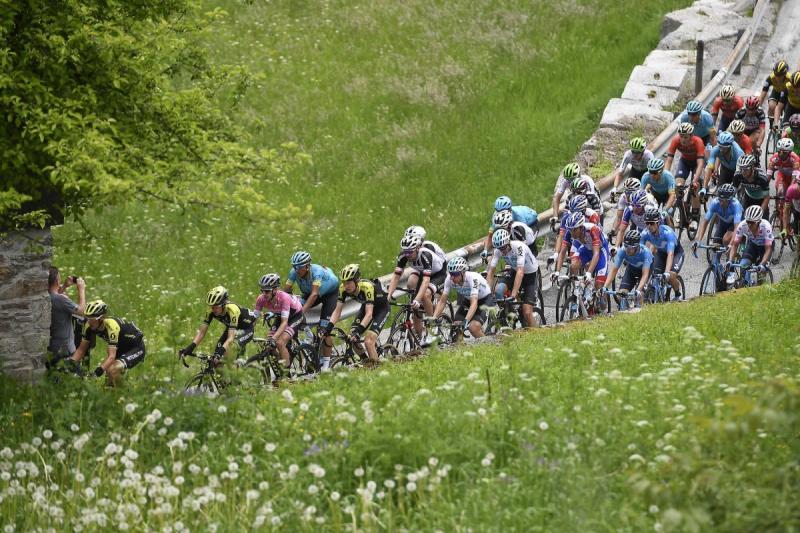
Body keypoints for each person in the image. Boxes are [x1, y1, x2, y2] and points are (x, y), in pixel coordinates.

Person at [386, 234, 447, 340]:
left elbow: (426, 281)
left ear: (418, 248)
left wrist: (418, 299)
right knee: (415, 311)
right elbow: (396, 276)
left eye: (410, 252)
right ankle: (420, 339)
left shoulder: (425, 255)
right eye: (405, 252)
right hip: (423, 272)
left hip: (438, 274)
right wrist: (389, 294)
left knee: (425, 295)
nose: (407, 255)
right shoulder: (403, 256)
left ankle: (432, 326)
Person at [70, 300, 145, 386]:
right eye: (87, 318)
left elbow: (111, 357)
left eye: (92, 319)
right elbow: (81, 349)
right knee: (108, 384)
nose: (89, 322)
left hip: (135, 347)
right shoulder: (89, 326)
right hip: (120, 348)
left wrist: (97, 372)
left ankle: (126, 394)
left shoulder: (112, 326)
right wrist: (70, 364)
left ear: (102, 318)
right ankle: (117, 394)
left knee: (112, 370)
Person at [283, 251, 340, 362]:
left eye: (299, 267)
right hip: (311, 293)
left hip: (330, 294)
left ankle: (326, 365)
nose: (296, 270)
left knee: (324, 330)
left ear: (307, 266)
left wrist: (301, 313)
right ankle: (308, 333)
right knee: (293, 309)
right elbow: (286, 293)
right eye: (294, 267)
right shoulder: (294, 272)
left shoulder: (317, 271)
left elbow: (314, 295)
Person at [330, 264, 389, 365]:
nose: (346, 286)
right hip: (365, 307)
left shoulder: (367, 287)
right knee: (351, 338)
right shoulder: (343, 289)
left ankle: (377, 371)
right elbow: (337, 311)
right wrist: (329, 326)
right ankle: (366, 362)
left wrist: (359, 331)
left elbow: (369, 314)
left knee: (368, 342)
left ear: (356, 281)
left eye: (348, 282)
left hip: (381, 309)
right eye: (344, 282)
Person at [179, 286, 257, 362]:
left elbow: (230, 338)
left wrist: (221, 353)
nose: (213, 310)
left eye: (216, 307)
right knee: (215, 358)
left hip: (246, 328)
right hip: (232, 327)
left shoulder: (232, 310)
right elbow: (201, 333)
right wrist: (190, 348)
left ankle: (236, 373)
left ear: (223, 304)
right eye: (212, 307)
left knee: (228, 351)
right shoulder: (210, 312)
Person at [486, 229, 540, 327]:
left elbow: (520, 272)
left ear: (508, 242)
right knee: (498, 291)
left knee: (527, 312)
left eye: (503, 247)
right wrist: (488, 293)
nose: (502, 251)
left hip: (530, 273)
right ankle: (511, 318)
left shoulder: (519, 247)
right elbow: (490, 271)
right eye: (499, 248)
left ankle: (537, 335)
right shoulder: (498, 250)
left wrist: (513, 294)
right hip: (514, 270)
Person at [432, 257, 494, 340]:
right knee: (457, 327)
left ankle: (487, 346)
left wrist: (466, 321)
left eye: (455, 274)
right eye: (451, 274)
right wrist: (434, 318)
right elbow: (442, 301)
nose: (452, 278)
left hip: (484, 300)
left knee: (473, 328)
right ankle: (460, 350)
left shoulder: (472, 278)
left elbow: (474, 303)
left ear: (463, 272)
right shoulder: (449, 279)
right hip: (468, 300)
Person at [253, 273, 305, 372]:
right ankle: (280, 367)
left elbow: (284, 322)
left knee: (280, 343)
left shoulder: (284, 297)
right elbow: (254, 318)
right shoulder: (261, 299)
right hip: (281, 316)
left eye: (267, 291)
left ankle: (287, 375)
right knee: (269, 345)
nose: (264, 293)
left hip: (295, 316)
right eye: (262, 290)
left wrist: (274, 338)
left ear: (275, 290)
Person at [551, 212, 610, 293]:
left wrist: (589, 273)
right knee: (573, 266)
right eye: (570, 230)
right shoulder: (570, 232)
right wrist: (557, 271)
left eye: (574, 230)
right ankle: (576, 293)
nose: (572, 233)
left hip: (600, 251)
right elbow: (563, 251)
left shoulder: (592, 229)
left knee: (599, 285)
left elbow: (596, 253)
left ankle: (601, 302)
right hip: (586, 248)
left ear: (581, 227)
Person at [665, 122, 706, 230]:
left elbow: (700, 164)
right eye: (681, 136)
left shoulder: (698, 142)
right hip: (685, 162)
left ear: (691, 135)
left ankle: (695, 217)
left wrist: (694, 181)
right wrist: (665, 176)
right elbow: (669, 160)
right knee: (677, 185)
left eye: (685, 137)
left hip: (697, 163)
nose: (683, 139)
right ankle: (683, 209)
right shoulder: (675, 140)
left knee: (694, 188)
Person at [640, 207, 684, 300]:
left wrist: (667, 272)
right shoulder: (645, 233)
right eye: (647, 223)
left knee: (671, 275)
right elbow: (641, 250)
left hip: (676, 253)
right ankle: (658, 295)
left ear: (658, 223)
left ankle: (677, 294)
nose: (649, 226)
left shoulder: (667, 233)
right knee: (655, 275)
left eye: (651, 223)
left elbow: (670, 254)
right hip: (661, 253)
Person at [603, 229, 653, 307]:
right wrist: (605, 287)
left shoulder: (646, 253)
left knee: (639, 296)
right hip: (632, 269)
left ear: (636, 247)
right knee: (621, 295)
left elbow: (645, 275)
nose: (627, 249)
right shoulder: (623, 251)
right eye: (625, 246)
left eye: (630, 247)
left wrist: (639, 290)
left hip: (645, 271)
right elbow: (614, 270)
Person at [47, 266, 86, 364]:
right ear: (57, 281)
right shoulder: (61, 299)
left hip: (52, 346)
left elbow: (56, 296)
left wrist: (64, 286)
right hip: (65, 348)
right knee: (72, 375)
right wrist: (81, 290)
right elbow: (81, 311)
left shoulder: (46, 296)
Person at [692, 183, 743, 249]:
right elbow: (705, 223)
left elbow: (737, 228)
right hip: (723, 222)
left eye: (724, 200)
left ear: (730, 200)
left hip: (734, 224)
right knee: (715, 247)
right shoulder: (715, 202)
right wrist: (698, 241)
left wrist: (731, 245)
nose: (721, 202)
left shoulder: (736, 205)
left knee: (726, 240)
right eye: (720, 199)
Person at [727, 205, 773, 273]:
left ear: (758, 222)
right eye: (748, 221)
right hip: (753, 244)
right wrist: (730, 260)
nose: (749, 225)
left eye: (752, 222)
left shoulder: (766, 227)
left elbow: (768, 249)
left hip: (765, 246)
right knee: (743, 265)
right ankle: (744, 282)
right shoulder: (742, 225)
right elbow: (735, 245)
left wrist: (762, 264)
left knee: (761, 271)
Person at [732, 154, 771, 219]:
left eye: (746, 169)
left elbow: (766, 198)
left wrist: (761, 212)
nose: (743, 172)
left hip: (761, 200)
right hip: (748, 198)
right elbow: (733, 192)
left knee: (762, 223)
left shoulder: (762, 178)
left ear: (752, 167)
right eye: (741, 168)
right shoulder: (738, 175)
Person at [758, 60, 791, 126]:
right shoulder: (770, 78)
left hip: (787, 96)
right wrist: (758, 107)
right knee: (771, 105)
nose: (777, 77)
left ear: (784, 74)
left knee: (786, 111)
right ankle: (771, 124)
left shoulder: (790, 79)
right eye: (776, 74)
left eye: (779, 75)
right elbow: (763, 94)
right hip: (776, 92)